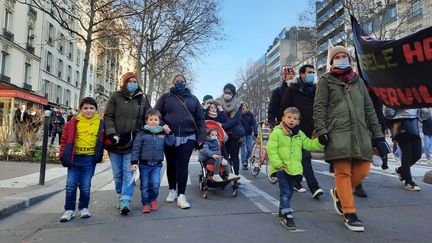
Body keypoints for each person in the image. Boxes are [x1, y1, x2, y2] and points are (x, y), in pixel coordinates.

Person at [313, 46, 389, 232]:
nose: (341, 59)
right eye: (337, 57)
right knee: (343, 172)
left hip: (361, 133)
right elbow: (320, 106)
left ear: (349, 59)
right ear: (331, 61)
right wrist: (321, 129)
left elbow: (370, 109)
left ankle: (339, 193)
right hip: (336, 131)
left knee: (363, 170)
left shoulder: (359, 81)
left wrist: (378, 135)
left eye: (344, 56)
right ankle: (349, 212)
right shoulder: (325, 80)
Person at [267, 107, 324, 230]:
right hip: (281, 168)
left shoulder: (299, 134)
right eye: (289, 117)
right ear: (283, 118)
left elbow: (308, 144)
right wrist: (278, 165)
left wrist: (320, 141)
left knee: (290, 192)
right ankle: (288, 215)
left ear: (298, 122)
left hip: (295, 169)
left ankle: (282, 210)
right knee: (285, 191)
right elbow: (271, 149)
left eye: (295, 118)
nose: (291, 120)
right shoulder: (277, 132)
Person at [155, 74, 206, 209]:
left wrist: (201, 136)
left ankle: (181, 196)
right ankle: (172, 190)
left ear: (185, 83)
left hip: (188, 137)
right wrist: (162, 125)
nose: (179, 83)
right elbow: (155, 114)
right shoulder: (165, 97)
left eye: (182, 81)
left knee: (182, 165)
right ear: (172, 83)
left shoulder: (193, 99)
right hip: (169, 136)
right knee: (171, 164)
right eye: (177, 81)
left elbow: (200, 119)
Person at [104, 72, 150, 215]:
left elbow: (148, 117)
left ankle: (125, 200)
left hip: (133, 142)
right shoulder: (115, 96)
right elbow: (108, 116)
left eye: (134, 81)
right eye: (129, 81)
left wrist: (143, 133)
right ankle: (119, 194)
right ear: (124, 83)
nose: (132, 83)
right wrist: (111, 133)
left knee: (129, 173)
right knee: (118, 174)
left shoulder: (142, 99)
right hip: (115, 141)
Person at [280, 64, 324, 199]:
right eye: (309, 72)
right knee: (305, 156)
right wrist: (284, 124)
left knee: (300, 156)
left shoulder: (316, 90)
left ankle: (296, 181)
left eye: (313, 72)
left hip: (310, 128)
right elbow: (284, 107)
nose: (312, 74)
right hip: (295, 128)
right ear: (302, 74)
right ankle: (314, 187)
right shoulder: (292, 89)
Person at [59, 97, 105, 222]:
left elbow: (105, 139)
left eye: (91, 108)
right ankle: (69, 209)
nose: (88, 111)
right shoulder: (73, 122)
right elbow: (64, 140)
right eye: (85, 108)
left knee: (85, 185)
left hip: (89, 159)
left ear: (96, 109)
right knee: (71, 185)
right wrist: (62, 154)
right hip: (74, 158)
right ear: (80, 109)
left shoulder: (101, 124)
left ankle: (84, 207)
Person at [130, 109, 175, 213]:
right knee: (144, 186)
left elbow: (170, 143)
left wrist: (169, 132)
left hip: (157, 165)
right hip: (144, 165)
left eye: (156, 119)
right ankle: (145, 203)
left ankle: (153, 199)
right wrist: (134, 162)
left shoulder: (162, 133)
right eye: (151, 119)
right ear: (146, 121)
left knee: (155, 184)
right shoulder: (142, 133)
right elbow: (136, 148)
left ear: (159, 121)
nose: (153, 121)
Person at [384, 107, 424, 191]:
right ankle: (408, 181)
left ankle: (401, 170)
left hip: (414, 124)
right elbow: (388, 113)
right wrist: (398, 107)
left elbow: (424, 115)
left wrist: (423, 107)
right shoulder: (395, 94)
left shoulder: (416, 94)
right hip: (400, 124)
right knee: (407, 153)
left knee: (417, 154)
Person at [218, 83, 245, 175]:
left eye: (229, 93)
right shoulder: (218, 102)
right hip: (222, 135)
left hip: (234, 134)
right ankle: (225, 174)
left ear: (233, 93)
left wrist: (223, 125)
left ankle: (236, 176)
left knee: (234, 156)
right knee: (223, 156)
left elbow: (237, 119)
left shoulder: (239, 103)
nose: (227, 94)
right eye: (225, 92)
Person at [240, 103, 258, 170]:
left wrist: (256, 132)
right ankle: (244, 162)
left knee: (250, 149)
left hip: (249, 135)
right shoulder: (239, 115)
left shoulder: (251, 115)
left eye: (244, 106)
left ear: (247, 108)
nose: (243, 108)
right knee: (243, 150)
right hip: (241, 135)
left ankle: (246, 160)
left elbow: (254, 124)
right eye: (242, 107)